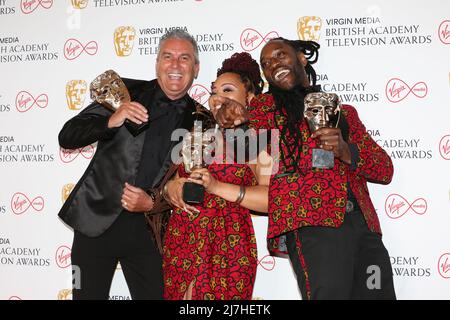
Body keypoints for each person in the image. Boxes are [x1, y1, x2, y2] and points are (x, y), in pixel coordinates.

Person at [212, 38, 396, 300]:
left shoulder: (345, 113)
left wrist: (345, 150)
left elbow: (385, 169)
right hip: (313, 226)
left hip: (364, 228)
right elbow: (243, 148)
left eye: (280, 55)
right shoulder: (265, 109)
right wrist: (232, 122)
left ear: (301, 58)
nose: (273, 64)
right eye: (266, 64)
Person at [58, 29, 201, 300]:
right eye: (167, 56)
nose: (175, 64)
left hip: (152, 232)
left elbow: (195, 188)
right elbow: (67, 136)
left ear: (195, 68)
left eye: (184, 58)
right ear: (157, 62)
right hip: (95, 221)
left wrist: (154, 201)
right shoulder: (124, 92)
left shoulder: (202, 120)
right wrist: (112, 120)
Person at [162, 52, 271, 300]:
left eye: (228, 90)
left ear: (250, 98)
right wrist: (171, 189)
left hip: (228, 241)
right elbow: (166, 182)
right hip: (183, 237)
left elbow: (270, 198)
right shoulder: (196, 132)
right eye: (214, 91)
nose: (217, 98)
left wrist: (217, 186)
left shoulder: (259, 138)